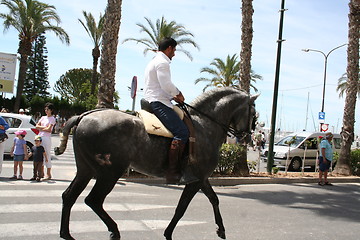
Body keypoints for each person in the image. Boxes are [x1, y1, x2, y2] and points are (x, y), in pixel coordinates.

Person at [144, 37, 197, 184]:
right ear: (168, 48)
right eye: (174, 50)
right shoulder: (162, 63)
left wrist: (172, 97)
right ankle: (172, 171)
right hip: (158, 103)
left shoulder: (155, 61)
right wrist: (178, 94)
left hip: (159, 99)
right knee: (182, 132)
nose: (174, 54)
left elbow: (161, 87)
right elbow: (166, 84)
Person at [36, 102, 56, 180]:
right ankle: (41, 172)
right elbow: (37, 126)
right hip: (40, 136)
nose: (46, 111)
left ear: (51, 110)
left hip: (46, 138)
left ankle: (48, 173)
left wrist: (42, 128)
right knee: (41, 155)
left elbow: (49, 129)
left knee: (47, 154)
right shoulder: (43, 117)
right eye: (45, 109)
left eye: (48, 109)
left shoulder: (52, 119)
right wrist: (44, 128)